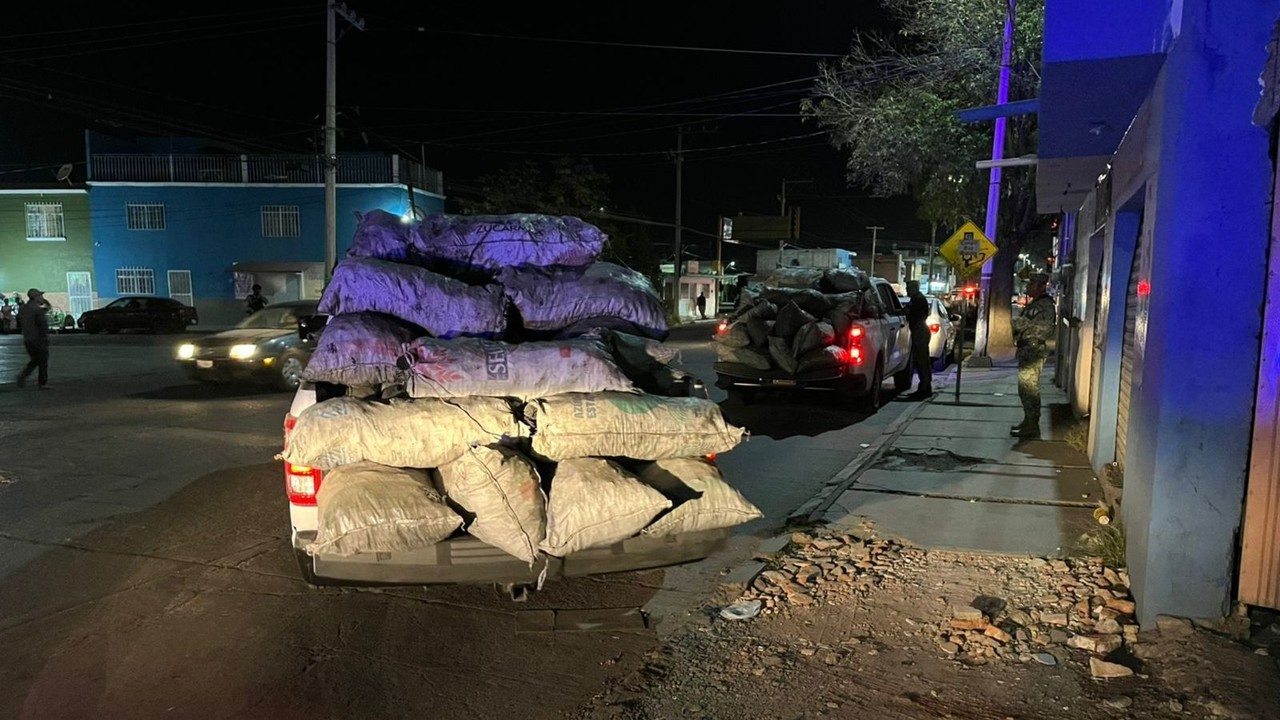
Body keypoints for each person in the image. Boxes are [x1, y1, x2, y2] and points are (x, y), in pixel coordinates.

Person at [1011, 273, 1057, 438]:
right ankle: (1028, 421)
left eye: (1032, 284)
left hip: (1033, 349)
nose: (1028, 287)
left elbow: (1026, 324)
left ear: (1041, 286)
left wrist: (1013, 321)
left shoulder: (1043, 305)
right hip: (1029, 349)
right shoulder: (1036, 304)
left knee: (1029, 388)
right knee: (1025, 389)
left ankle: (1032, 425)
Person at [16, 288, 51, 389]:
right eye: (40, 296)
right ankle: (43, 383)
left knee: (35, 360)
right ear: (35, 297)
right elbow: (42, 326)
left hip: (27, 338)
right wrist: (46, 338)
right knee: (43, 361)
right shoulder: (37, 310)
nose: (42, 298)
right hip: (38, 339)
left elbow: (19, 319)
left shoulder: (23, 308)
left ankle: (23, 376)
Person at [904, 280, 932, 399]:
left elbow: (910, 313)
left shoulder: (918, 300)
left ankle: (924, 389)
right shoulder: (917, 299)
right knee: (922, 361)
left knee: (922, 361)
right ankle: (924, 388)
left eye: (908, 288)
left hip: (920, 330)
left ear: (914, 288)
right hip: (920, 329)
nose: (907, 291)